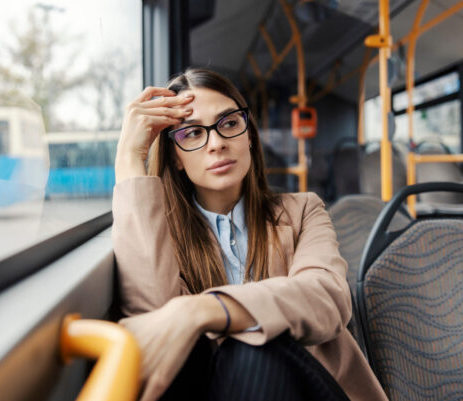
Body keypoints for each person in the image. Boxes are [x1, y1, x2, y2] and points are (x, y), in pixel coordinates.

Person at [111, 68, 387, 401]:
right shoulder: (159, 232)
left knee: (251, 349)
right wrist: (129, 159)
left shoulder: (303, 210)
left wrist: (201, 311)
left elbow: (328, 299)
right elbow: (155, 323)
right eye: (193, 134)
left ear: (250, 136)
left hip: (310, 387)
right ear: (176, 158)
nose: (216, 143)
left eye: (229, 124)